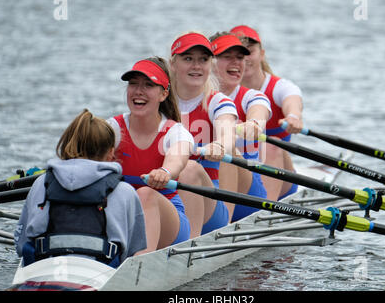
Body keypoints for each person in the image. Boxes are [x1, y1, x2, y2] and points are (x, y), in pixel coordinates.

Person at [14, 109, 147, 268]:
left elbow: (21, 245)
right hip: (100, 273)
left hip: (44, 270)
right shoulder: (125, 191)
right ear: (111, 152)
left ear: (68, 145)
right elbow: (130, 253)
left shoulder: (42, 183)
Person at [108, 57, 194, 253]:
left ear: (163, 94)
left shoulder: (176, 132)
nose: (138, 91)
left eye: (148, 85)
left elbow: (178, 158)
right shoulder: (112, 128)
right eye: (133, 84)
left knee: (146, 194)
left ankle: (137, 267)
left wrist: (165, 171)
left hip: (168, 223)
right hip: (122, 214)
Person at [169, 32, 238, 236]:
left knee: (189, 169)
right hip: (165, 193)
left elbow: (228, 132)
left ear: (210, 65)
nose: (196, 66)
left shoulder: (218, 102)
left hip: (208, 204)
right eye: (188, 59)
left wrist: (220, 146)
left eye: (203, 60)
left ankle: (187, 248)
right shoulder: (158, 103)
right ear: (173, 64)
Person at [230, 25, 304, 201]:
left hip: (278, 176)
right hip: (238, 173)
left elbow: (292, 100)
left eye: (249, 51)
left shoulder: (280, 88)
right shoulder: (219, 94)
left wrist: (293, 116)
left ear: (261, 54)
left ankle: (266, 208)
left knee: (272, 145)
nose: (244, 59)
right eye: (237, 55)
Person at [210, 32, 272, 222]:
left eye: (240, 57)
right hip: (203, 182)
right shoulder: (193, 99)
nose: (236, 63)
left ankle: (222, 224)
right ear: (209, 62)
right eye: (227, 57)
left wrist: (253, 126)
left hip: (247, 196)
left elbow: (258, 113)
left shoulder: (251, 97)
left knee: (229, 149)